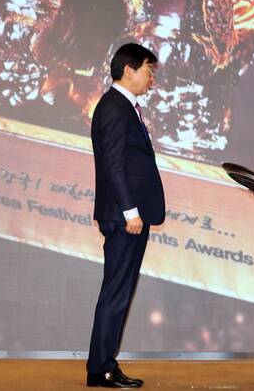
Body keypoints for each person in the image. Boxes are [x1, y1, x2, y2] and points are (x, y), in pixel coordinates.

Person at [86, 43, 164, 388]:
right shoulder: (115, 108)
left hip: (127, 214)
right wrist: (130, 211)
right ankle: (100, 368)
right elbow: (114, 164)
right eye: (149, 70)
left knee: (120, 291)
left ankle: (105, 363)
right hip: (124, 217)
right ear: (128, 69)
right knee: (116, 292)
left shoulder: (123, 106)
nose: (152, 79)